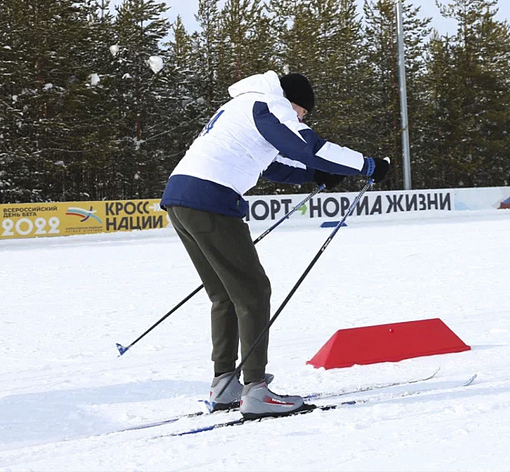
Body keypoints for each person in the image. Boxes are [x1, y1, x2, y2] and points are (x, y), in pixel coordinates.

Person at [160, 71, 390, 418]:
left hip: (181, 198)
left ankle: (224, 384)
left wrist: (316, 175)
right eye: (302, 112)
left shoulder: (242, 105)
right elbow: (308, 147)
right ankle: (256, 390)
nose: (301, 119)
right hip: (210, 199)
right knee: (253, 292)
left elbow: (271, 166)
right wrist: (368, 165)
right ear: (291, 101)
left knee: (225, 294)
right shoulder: (268, 103)